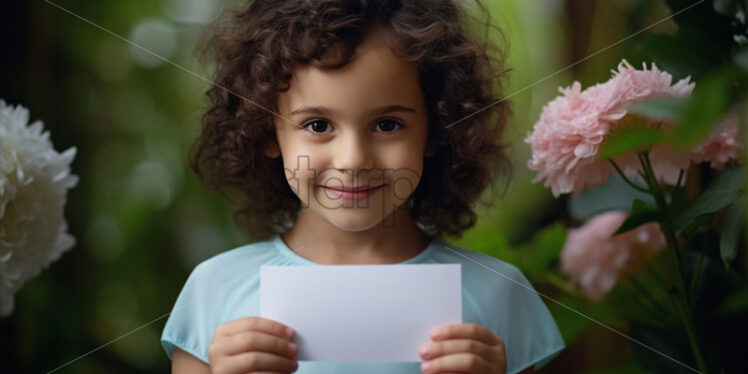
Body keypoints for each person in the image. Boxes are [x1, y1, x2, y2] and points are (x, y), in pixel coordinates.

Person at [161, 0, 565, 373]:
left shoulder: (498, 293)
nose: (353, 160)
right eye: (317, 125)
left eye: (387, 125)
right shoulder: (214, 291)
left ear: (435, 132)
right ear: (268, 132)